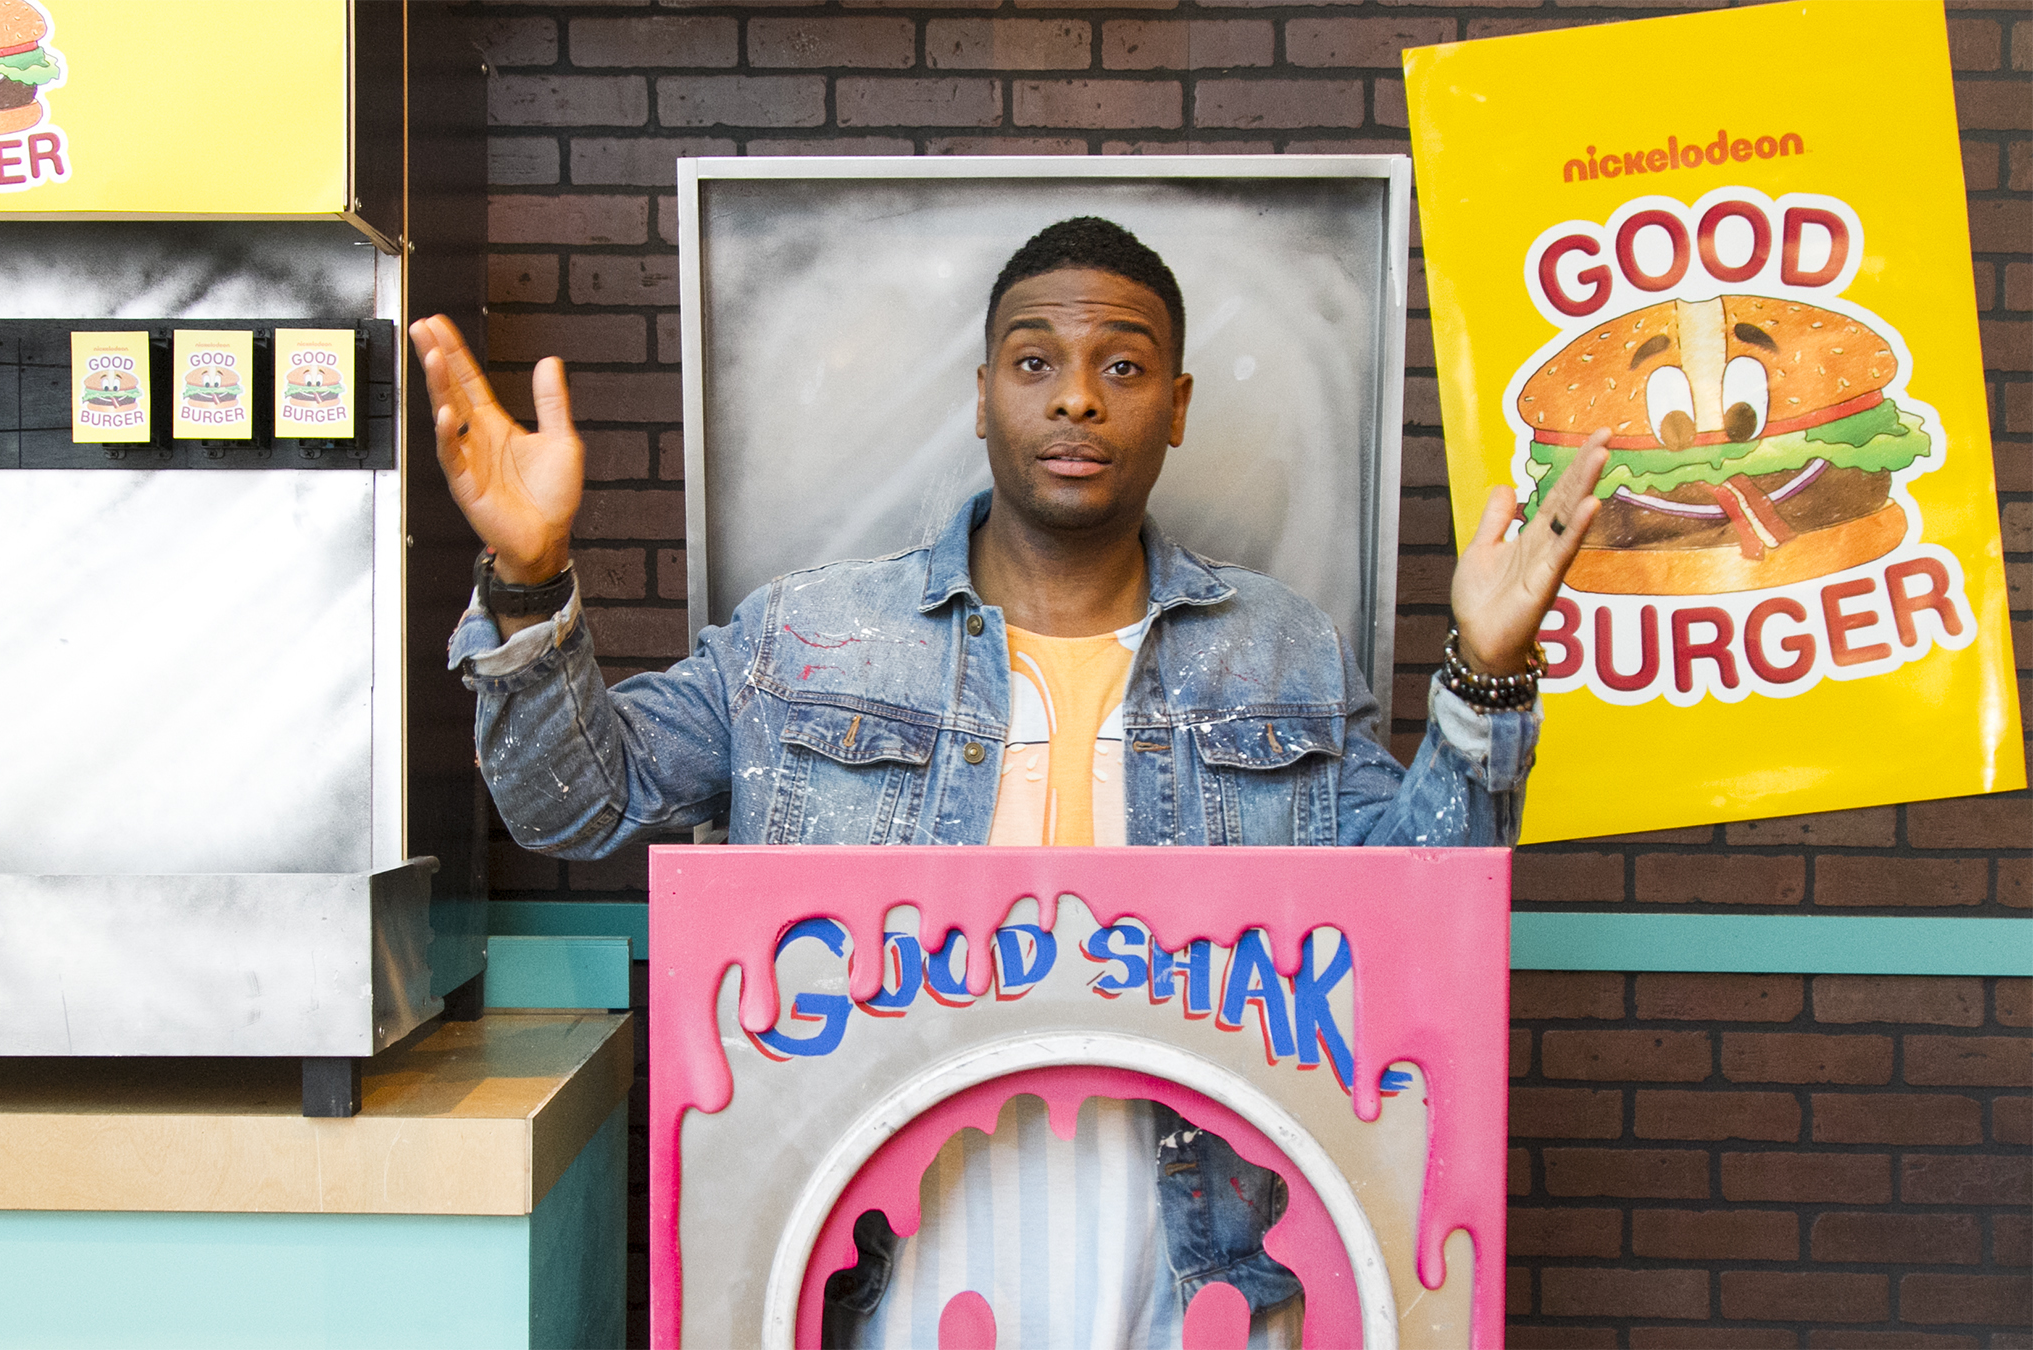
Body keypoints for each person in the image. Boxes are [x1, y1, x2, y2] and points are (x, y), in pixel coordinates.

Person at [414, 217, 1608, 1347]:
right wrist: (529, 580)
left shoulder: (1280, 651)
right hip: (877, 1287)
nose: (1078, 394)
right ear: (982, 397)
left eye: (1124, 365)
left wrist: (1487, 675)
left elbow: (1418, 918)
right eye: (1035, 360)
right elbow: (569, 802)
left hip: (1203, 1294)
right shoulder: (805, 642)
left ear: (1178, 406)